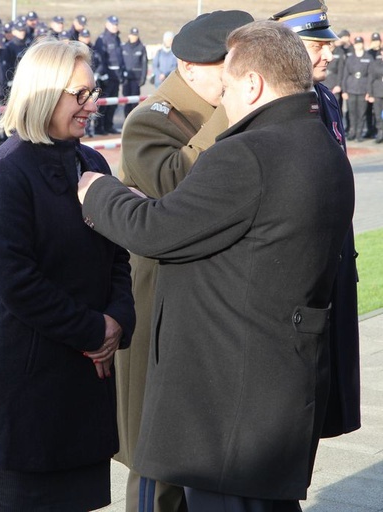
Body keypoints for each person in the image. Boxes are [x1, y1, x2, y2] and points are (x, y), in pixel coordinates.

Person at [78, 20, 355, 511]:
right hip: (272, 384)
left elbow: (157, 228)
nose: (222, 100)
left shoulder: (249, 153)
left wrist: (97, 191)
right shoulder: (319, 142)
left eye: (228, 86)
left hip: (229, 398)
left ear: (252, 84)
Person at [0, 38, 135, 512]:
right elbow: (17, 282)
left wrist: (118, 320)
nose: (92, 105)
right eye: (78, 95)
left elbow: (118, 256)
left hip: (85, 381)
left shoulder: (92, 162)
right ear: (42, 94)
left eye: (92, 93)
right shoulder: (7, 171)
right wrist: (93, 329)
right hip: (31, 387)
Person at [114, 10, 252, 512]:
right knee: (158, 464)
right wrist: (233, 110)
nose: (242, 76)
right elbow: (173, 188)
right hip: (159, 314)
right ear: (192, 68)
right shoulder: (152, 119)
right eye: (231, 66)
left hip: (209, 307)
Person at [272, 0, 361, 440]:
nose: (328, 53)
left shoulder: (324, 95)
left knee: (327, 393)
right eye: (317, 46)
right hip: (301, 270)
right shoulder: (281, 100)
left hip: (336, 258)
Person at [94, 15, 124, 134]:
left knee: (113, 104)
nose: (115, 26)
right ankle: (99, 127)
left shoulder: (117, 38)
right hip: (107, 76)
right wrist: (103, 74)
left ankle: (108, 125)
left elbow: (120, 57)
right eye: (113, 24)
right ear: (107, 25)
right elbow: (101, 58)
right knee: (103, 103)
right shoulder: (102, 39)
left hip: (116, 76)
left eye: (116, 24)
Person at [341, 36, 372, 141]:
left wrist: (369, 91)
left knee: (361, 113)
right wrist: (344, 90)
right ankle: (352, 132)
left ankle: (359, 133)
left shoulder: (368, 57)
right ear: (354, 45)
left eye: (360, 43)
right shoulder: (350, 58)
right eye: (357, 43)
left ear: (363, 44)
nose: (358, 45)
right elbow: (345, 75)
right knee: (351, 113)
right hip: (351, 89)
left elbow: (370, 76)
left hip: (363, 89)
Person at [121, 27, 147, 116]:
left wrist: (143, 78)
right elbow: (121, 63)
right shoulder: (124, 47)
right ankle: (126, 121)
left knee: (134, 103)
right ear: (129, 35)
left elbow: (144, 64)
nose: (134, 37)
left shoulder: (141, 48)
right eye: (132, 35)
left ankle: (133, 121)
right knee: (126, 101)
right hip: (126, 80)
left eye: (135, 35)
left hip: (136, 80)